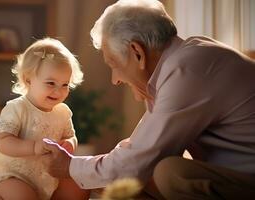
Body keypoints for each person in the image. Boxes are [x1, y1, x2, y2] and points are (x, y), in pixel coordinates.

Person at [42, 0, 255, 199]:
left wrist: (69, 166)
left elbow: (136, 161)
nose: (115, 80)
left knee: (169, 172)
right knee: (142, 177)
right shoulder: (181, 63)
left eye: (114, 64)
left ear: (137, 52)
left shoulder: (187, 70)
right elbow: (139, 151)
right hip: (237, 175)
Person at [0, 38, 89, 200]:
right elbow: (2, 140)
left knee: (79, 184)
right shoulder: (17, 108)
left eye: (65, 85)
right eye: (51, 83)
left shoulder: (63, 112)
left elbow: (70, 135)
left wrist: (69, 144)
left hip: (47, 176)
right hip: (12, 175)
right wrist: (33, 147)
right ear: (28, 80)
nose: (58, 91)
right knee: (23, 197)